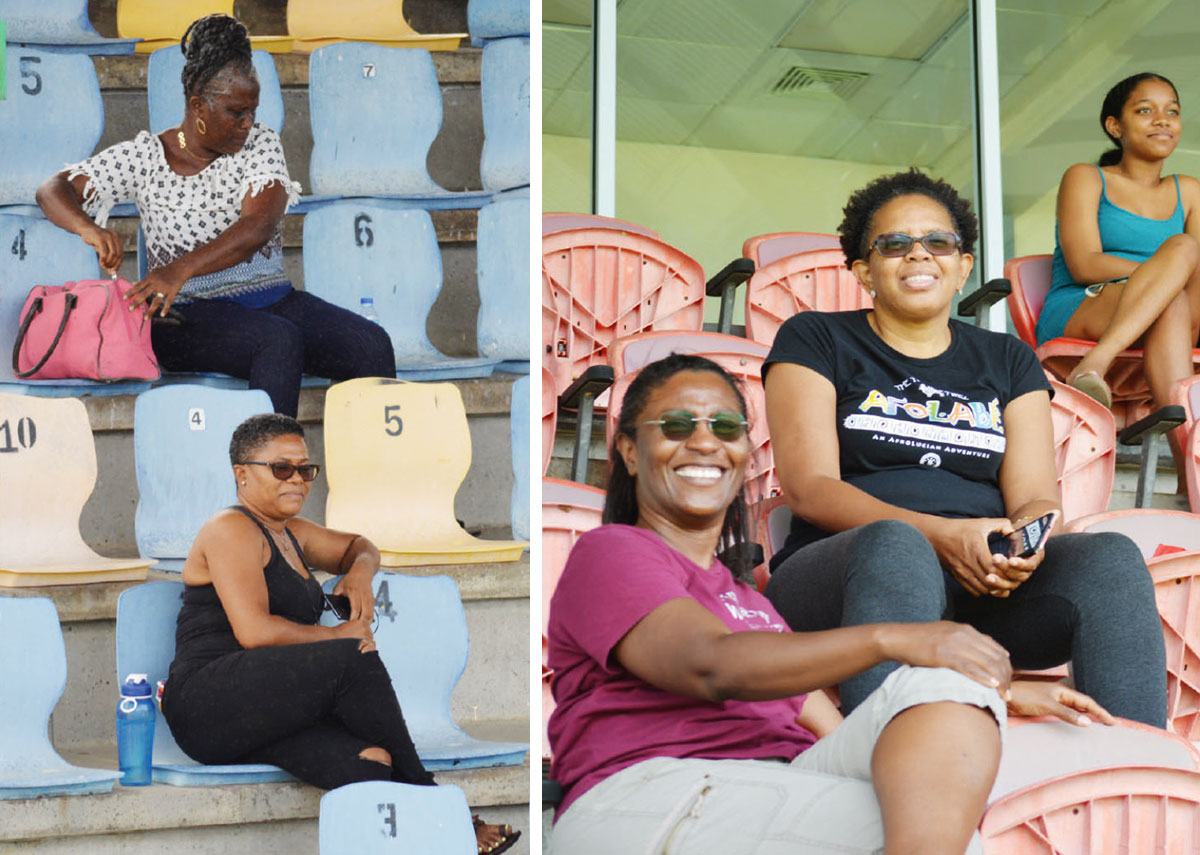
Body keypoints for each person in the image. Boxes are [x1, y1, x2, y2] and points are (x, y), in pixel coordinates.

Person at [547, 353, 1114, 855]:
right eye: (675, 425)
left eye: (725, 426)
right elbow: (711, 665)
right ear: (627, 449)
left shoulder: (748, 603)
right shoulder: (612, 553)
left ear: (745, 449)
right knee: (945, 836)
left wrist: (995, 690)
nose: (704, 441)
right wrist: (896, 638)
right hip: (648, 795)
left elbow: (833, 722)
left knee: (945, 695)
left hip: (772, 788)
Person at [761, 169, 1167, 728]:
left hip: (982, 582)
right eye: (894, 244)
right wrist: (941, 536)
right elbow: (810, 490)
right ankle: (882, 775)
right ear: (863, 270)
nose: (918, 256)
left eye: (939, 242)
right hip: (850, 579)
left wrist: (1026, 547)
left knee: (1110, 557)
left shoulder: (1007, 359)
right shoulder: (816, 338)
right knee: (897, 547)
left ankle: (1136, 769)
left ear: (963, 267)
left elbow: (1034, 497)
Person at [161, 413, 519, 855]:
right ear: (242, 474)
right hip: (208, 703)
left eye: (305, 469)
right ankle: (443, 808)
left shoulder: (290, 533)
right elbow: (253, 632)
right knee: (353, 659)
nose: (297, 479)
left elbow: (359, 547)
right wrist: (341, 639)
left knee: (371, 764)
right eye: (281, 468)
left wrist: (361, 574)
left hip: (262, 710)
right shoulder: (230, 529)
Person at [35, 14, 395, 417]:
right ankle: (266, 473)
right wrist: (88, 228)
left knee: (371, 344)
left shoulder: (261, 145)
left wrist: (179, 269)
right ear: (198, 105)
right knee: (277, 342)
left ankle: (373, 470)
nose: (247, 123)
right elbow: (53, 190)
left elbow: (257, 227)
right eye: (235, 111)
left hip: (273, 301)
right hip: (183, 317)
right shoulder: (145, 157)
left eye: (252, 110)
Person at [1036, 72, 1200, 487]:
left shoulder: (1191, 190)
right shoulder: (1088, 177)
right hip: (1088, 302)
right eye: (1145, 110)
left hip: (1174, 309)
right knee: (1180, 254)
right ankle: (1189, 472)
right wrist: (1163, 273)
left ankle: (1098, 366)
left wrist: (1166, 278)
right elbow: (1084, 264)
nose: (1162, 120)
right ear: (1115, 126)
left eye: (1172, 112)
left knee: (1180, 276)